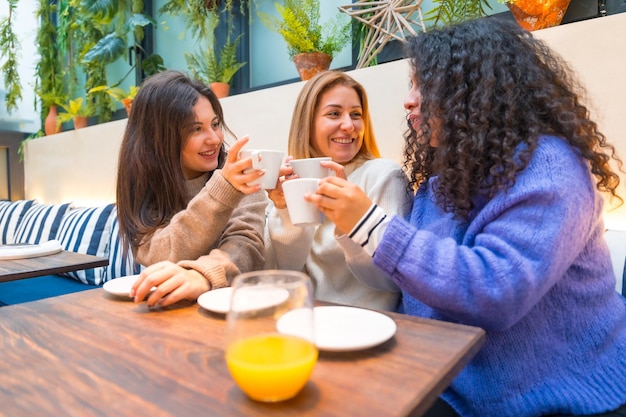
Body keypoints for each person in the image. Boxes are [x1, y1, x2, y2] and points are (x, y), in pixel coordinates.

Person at [305, 19, 626, 417]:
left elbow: (494, 290)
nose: (408, 101)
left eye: (424, 86)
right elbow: (417, 292)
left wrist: (369, 224)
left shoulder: (551, 169)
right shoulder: (442, 182)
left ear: (476, 90)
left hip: (554, 393)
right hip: (452, 380)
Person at [116, 70, 267, 307]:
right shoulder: (144, 183)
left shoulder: (238, 171)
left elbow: (247, 244)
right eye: (195, 129)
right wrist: (221, 190)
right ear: (158, 138)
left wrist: (202, 274)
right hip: (167, 311)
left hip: (235, 308)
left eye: (215, 124)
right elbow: (156, 253)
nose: (215, 139)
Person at [265, 71, 412, 311]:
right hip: (303, 321)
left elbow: (390, 281)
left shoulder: (383, 176)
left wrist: (351, 224)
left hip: (365, 326)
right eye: (334, 114)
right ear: (307, 123)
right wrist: (283, 211)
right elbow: (282, 274)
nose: (348, 125)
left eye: (356, 114)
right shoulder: (291, 181)